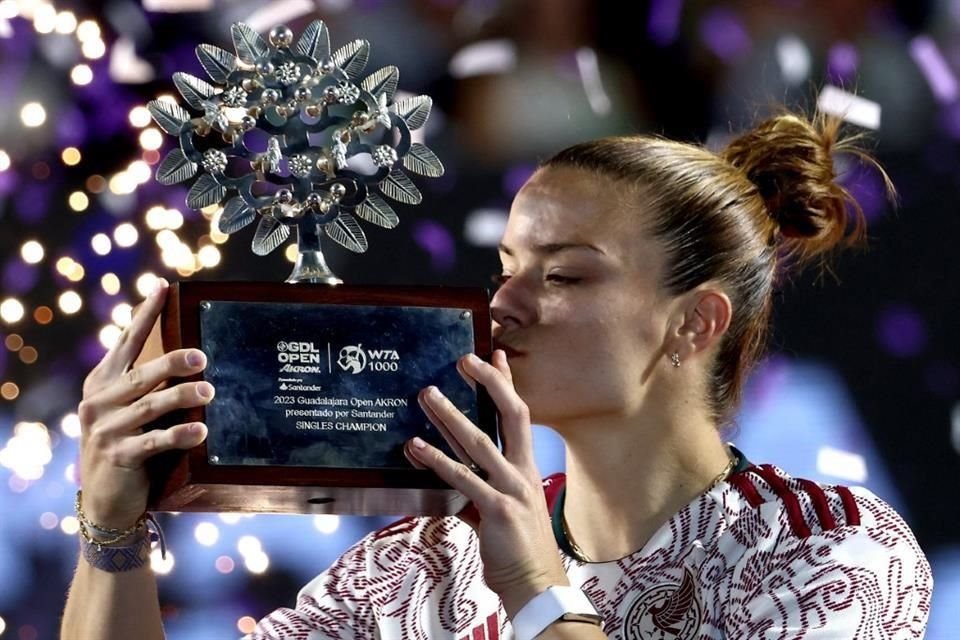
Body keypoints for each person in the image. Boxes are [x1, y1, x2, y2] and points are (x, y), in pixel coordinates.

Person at [61, 111, 932, 640]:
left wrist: (530, 584)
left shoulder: (832, 551)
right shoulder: (424, 562)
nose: (503, 304)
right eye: (507, 266)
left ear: (693, 323)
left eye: (563, 275)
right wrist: (111, 535)